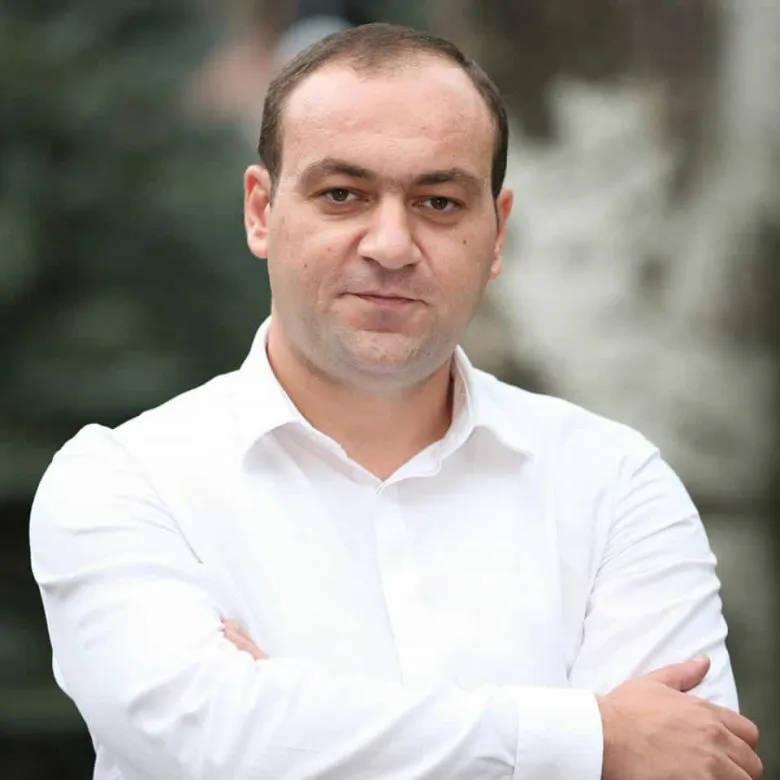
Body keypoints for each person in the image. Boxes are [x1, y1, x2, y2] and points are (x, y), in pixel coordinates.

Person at [30, 22, 761, 780]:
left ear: (497, 233)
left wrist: (287, 728)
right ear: (260, 211)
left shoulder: (615, 485)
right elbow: (210, 737)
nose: (390, 244)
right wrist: (593, 739)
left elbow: (686, 763)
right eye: (342, 195)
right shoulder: (126, 481)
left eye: (438, 202)